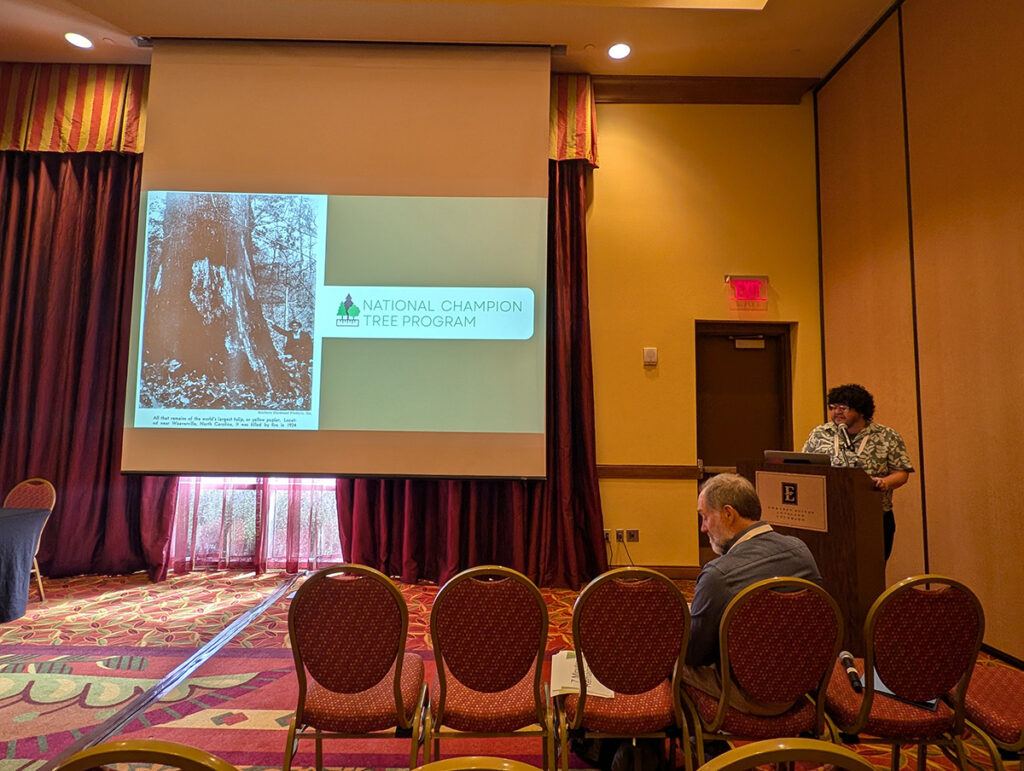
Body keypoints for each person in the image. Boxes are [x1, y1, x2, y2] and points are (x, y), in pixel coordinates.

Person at [683, 472, 823, 716]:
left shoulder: (719, 575)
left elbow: (695, 655)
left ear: (728, 513)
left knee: (659, 657)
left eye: (705, 517)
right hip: (798, 688)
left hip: (744, 692)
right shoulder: (801, 552)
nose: (703, 528)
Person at [801, 383, 913, 561]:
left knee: (871, 571)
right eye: (833, 407)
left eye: (843, 407)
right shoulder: (820, 433)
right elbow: (804, 467)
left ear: (861, 411)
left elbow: (901, 473)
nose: (837, 412)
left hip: (874, 516)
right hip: (830, 516)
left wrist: (885, 483)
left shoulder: (887, 436)